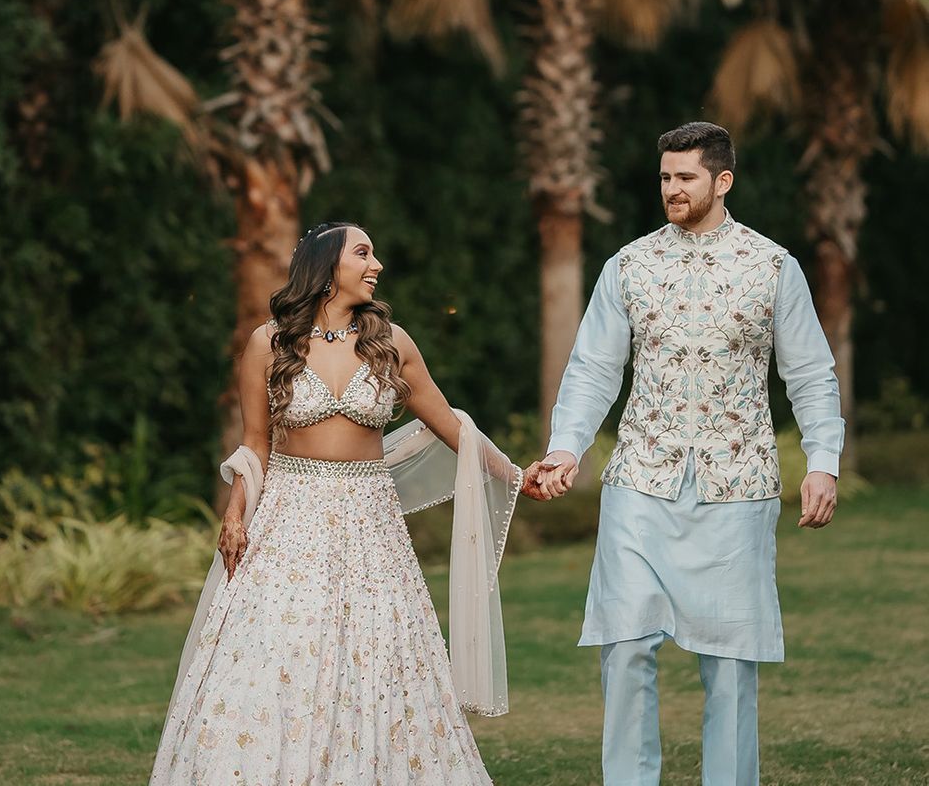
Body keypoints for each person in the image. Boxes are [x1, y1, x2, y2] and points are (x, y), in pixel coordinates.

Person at [149, 221, 544, 785]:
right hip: (291, 518)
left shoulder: (392, 343)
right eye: (363, 253)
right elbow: (255, 442)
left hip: (370, 525)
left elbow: (453, 426)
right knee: (282, 648)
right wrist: (235, 514)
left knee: (379, 653)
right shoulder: (269, 344)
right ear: (327, 267)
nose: (376, 264)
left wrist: (515, 474)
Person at [532, 123, 844, 786]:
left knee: (730, 664)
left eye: (686, 178)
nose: (671, 188)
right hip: (640, 482)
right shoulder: (630, 266)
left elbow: (812, 373)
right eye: (666, 176)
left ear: (722, 181)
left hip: (737, 487)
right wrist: (567, 448)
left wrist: (823, 461)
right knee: (622, 648)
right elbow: (592, 369)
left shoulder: (772, 267)